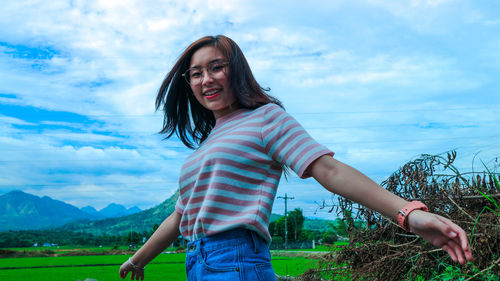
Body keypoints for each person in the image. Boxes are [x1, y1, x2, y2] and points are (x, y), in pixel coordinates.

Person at [119, 35, 473, 281]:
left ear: (236, 71)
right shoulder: (208, 143)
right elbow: (182, 214)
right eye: (196, 74)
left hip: (237, 261)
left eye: (216, 68)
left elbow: (328, 168)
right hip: (196, 262)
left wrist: (408, 214)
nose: (206, 79)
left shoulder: (264, 119)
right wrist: (138, 259)